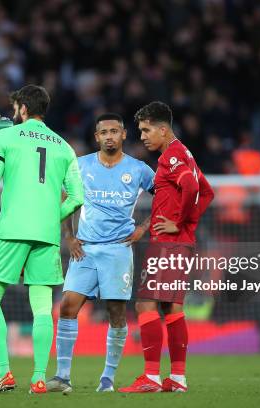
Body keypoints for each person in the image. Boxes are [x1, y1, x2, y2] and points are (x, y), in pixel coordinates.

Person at [0, 84, 84, 394]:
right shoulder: (64, 146)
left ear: (21, 108)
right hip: (45, 236)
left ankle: (4, 373)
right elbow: (77, 197)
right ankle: (37, 378)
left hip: (11, 231)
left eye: (15, 108)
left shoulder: (5, 137)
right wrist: (50, 218)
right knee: (43, 308)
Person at [46, 113, 155, 393]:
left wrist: (144, 227)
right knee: (67, 306)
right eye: (104, 132)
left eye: (114, 131)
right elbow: (65, 199)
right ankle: (62, 376)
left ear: (123, 135)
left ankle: (106, 379)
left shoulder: (139, 169)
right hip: (85, 249)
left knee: (116, 313)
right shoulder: (80, 166)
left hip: (118, 251)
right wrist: (68, 237)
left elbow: (165, 197)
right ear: (96, 137)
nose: (109, 136)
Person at [120, 101, 214, 393]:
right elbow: (207, 191)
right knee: (172, 308)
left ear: (163, 129)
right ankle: (178, 378)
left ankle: (150, 377)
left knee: (145, 303)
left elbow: (192, 188)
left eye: (147, 130)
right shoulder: (184, 152)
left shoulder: (171, 156)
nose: (144, 136)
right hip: (179, 243)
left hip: (168, 244)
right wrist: (187, 225)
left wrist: (179, 222)